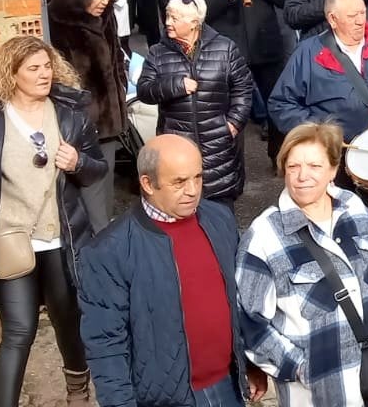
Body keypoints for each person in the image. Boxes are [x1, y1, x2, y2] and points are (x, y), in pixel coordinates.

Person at [0, 37, 106, 407]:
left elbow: (97, 170)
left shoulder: (69, 116)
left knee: (69, 323)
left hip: (61, 238)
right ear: (12, 74)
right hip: (11, 240)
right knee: (19, 330)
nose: (44, 74)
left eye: (47, 66)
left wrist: (77, 162)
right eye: (33, 68)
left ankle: (78, 390)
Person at [78, 135, 263, 407]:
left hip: (227, 387)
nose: (193, 190)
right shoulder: (108, 251)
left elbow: (238, 302)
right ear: (147, 183)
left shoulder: (219, 219)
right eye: (179, 182)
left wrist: (250, 362)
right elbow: (106, 346)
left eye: (198, 177)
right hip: (165, 399)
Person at [237, 122, 368, 407]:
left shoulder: (353, 207)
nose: (303, 176)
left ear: (332, 169)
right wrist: (300, 368)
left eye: (314, 166)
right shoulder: (264, 235)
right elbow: (250, 323)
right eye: (293, 167)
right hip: (312, 395)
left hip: (367, 379)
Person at [269, 0, 368, 289]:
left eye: (362, 13)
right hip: (332, 155)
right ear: (332, 19)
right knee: (333, 223)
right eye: (353, 16)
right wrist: (316, 134)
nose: (362, 20)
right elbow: (280, 103)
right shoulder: (308, 52)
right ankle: (340, 286)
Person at [136, 0, 254, 212]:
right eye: (167, 16)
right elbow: (144, 90)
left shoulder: (225, 48)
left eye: (174, 18)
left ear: (194, 23)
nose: (167, 22)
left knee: (221, 217)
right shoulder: (158, 52)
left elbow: (244, 88)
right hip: (177, 145)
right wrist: (176, 85)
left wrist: (233, 124)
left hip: (219, 147)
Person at [46, 0, 126, 230]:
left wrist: (121, 90)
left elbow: (114, 59)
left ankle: (104, 241)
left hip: (110, 120)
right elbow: (60, 78)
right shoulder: (59, 22)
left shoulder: (106, 18)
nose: (104, 1)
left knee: (105, 189)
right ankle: (97, 250)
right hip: (81, 124)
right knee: (89, 195)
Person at [203, 0, 290, 158]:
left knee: (276, 103)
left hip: (266, 45)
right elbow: (205, 14)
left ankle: (278, 155)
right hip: (232, 49)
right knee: (232, 108)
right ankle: (231, 157)